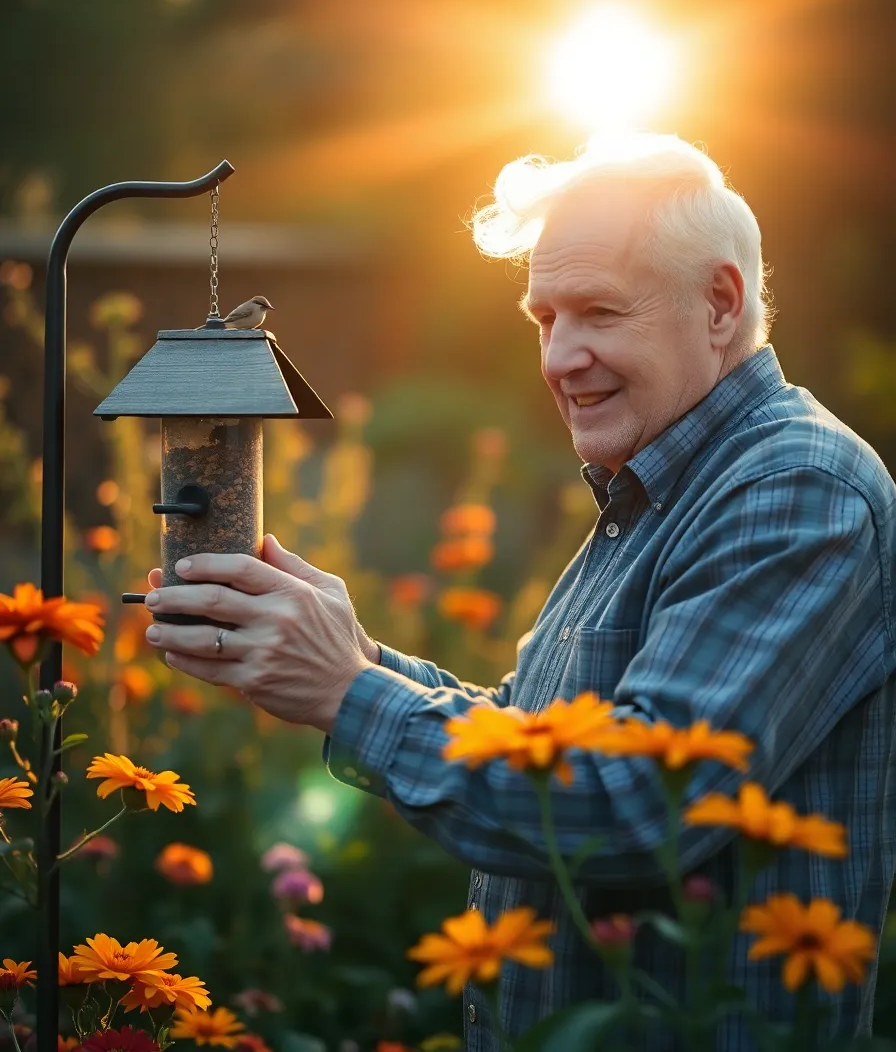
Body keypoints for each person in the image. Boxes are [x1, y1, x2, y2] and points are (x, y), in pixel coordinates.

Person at [142, 133, 896, 1051]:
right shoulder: (664, 485)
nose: (559, 358)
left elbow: (633, 807)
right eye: (545, 320)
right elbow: (537, 742)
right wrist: (349, 655)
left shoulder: (795, 488)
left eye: (599, 312)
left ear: (719, 303)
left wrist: (348, 691)